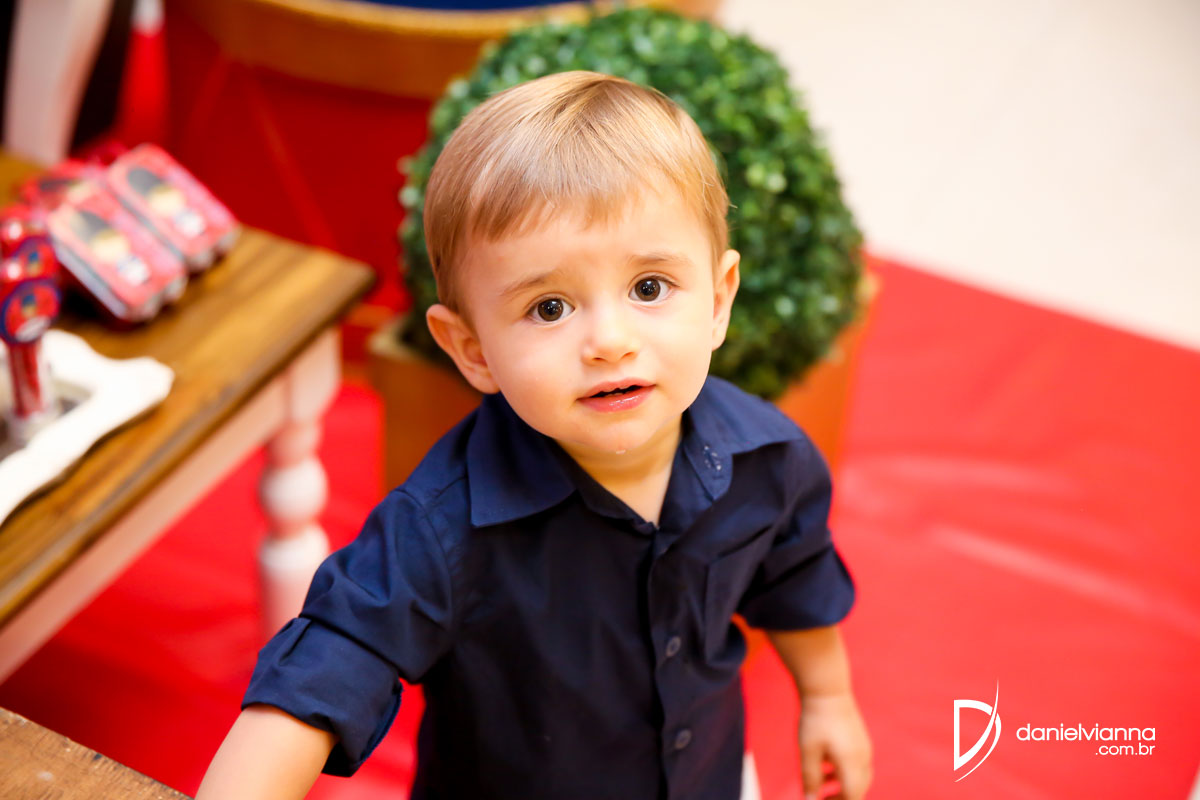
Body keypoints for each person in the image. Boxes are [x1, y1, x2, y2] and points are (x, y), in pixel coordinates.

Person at [196, 70, 872, 800]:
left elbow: (794, 576)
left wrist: (828, 697)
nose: (609, 342)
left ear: (717, 300)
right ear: (474, 351)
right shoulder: (442, 528)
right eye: (550, 307)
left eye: (649, 288)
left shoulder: (767, 457)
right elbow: (333, 657)